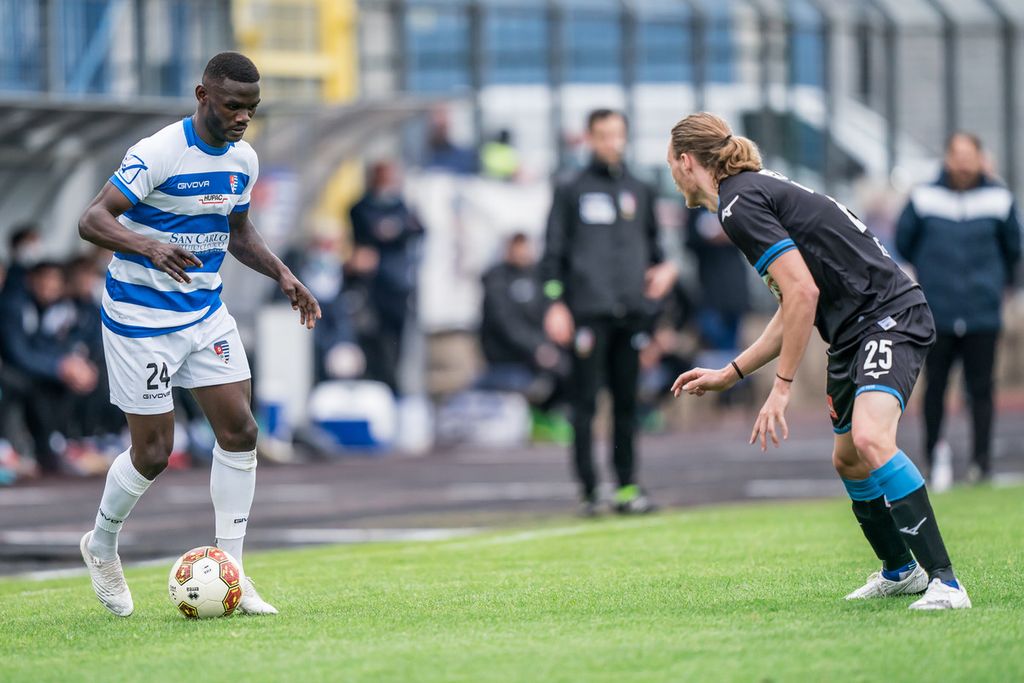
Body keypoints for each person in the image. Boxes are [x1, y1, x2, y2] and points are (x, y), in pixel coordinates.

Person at [667, 112, 970, 610]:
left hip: (887, 315)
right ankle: (901, 571)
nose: (672, 175)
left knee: (871, 438)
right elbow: (793, 303)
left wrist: (782, 387)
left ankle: (947, 583)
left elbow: (802, 293)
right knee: (848, 458)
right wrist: (732, 372)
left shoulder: (737, 203)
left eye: (670, 165)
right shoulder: (747, 193)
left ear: (685, 161)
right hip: (851, 331)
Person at [76, 52, 321, 618]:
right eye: (233, 106)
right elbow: (92, 219)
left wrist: (284, 275)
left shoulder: (244, 159)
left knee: (241, 430)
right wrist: (150, 246)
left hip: (205, 314)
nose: (242, 118)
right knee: (154, 453)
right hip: (141, 319)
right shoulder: (159, 152)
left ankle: (232, 569)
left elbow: (238, 231)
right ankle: (102, 544)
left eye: (252, 109)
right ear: (202, 95)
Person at [541, 109, 678, 516]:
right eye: (602, 135)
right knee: (584, 404)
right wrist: (554, 303)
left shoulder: (641, 188)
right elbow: (553, 253)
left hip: (631, 314)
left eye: (617, 134)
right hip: (587, 313)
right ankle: (589, 490)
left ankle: (627, 486)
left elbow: (656, 253)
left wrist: (665, 276)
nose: (610, 142)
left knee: (626, 404)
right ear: (589, 138)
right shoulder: (570, 188)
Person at [896, 132, 1021, 485]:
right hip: (936, 312)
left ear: (981, 158)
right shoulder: (923, 198)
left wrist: (993, 285)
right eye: (958, 155)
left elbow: (1014, 247)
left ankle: (981, 462)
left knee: (981, 388)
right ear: (948, 158)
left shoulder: (999, 199)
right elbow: (904, 242)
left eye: (970, 155)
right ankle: (932, 456)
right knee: (935, 386)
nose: (964, 163)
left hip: (982, 312)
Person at [0, 261, 98, 474]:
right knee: (26, 384)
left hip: (31, 368)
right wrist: (59, 367)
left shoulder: (58, 307)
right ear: (31, 280)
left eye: (54, 281)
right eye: (44, 279)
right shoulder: (14, 304)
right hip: (12, 369)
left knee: (80, 378)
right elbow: (17, 353)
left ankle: (63, 442)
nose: (49, 285)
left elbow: (49, 346)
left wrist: (71, 364)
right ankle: (15, 448)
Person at [348, 160, 424, 394]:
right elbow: (370, 231)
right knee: (374, 339)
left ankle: (393, 386)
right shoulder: (361, 208)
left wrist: (394, 229)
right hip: (371, 287)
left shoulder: (401, 206)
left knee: (398, 342)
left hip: (398, 286)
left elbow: (417, 228)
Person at [478, 233, 568, 410]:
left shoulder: (539, 277)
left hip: (540, 355)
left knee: (570, 370)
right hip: (507, 360)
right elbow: (507, 326)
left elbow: (550, 303)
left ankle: (554, 415)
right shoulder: (497, 280)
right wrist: (537, 348)